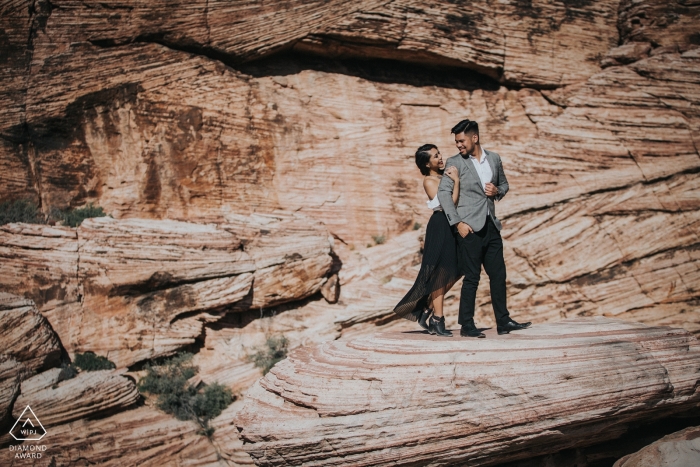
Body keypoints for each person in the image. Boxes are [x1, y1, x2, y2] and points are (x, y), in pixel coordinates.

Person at [437, 119, 531, 338]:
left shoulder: (494, 159)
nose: (458, 145)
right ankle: (467, 325)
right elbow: (443, 194)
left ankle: (503, 320)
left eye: (462, 141)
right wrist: (457, 222)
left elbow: (505, 185)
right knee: (472, 277)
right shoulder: (455, 162)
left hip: (491, 225)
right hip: (468, 228)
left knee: (498, 274)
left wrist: (496, 190)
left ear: (474, 138)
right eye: (457, 141)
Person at [393, 144, 462, 337]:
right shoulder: (429, 181)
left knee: (460, 268)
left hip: (453, 225)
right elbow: (449, 204)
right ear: (426, 163)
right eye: (434, 156)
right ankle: (437, 320)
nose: (439, 158)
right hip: (441, 225)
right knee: (441, 272)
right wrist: (456, 182)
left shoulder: (444, 175)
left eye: (439, 153)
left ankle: (426, 308)